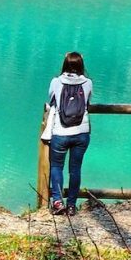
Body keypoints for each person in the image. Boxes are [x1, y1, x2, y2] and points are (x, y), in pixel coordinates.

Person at [46, 51, 92, 216]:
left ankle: (58, 202)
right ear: (81, 65)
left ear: (65, 65)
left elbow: (52, 99)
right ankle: (72, 205)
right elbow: (88, 102)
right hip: (82, 132)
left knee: (57, 166)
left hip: (61, 132)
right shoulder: (88, 83)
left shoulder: (56, 82)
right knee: (75, 169)